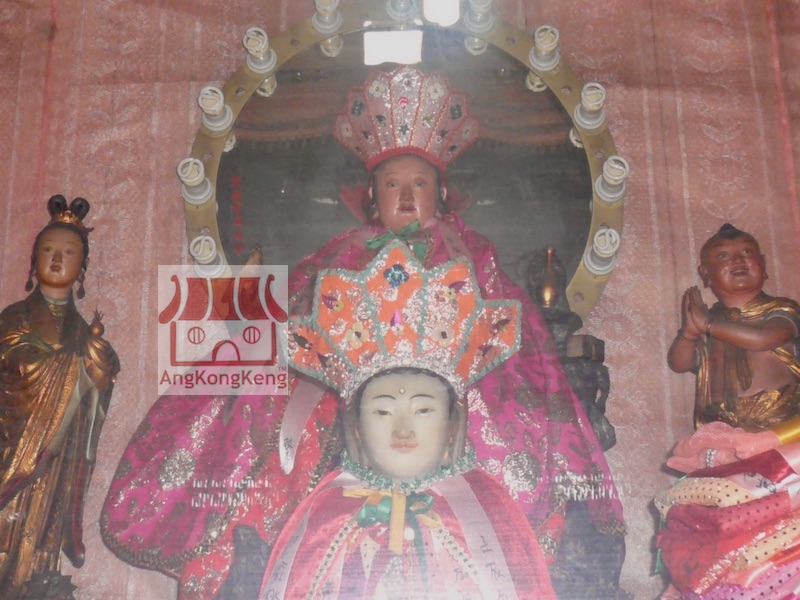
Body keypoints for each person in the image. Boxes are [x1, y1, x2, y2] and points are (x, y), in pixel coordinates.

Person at [101, 66, 624, 599]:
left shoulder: (474, 253)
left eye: (419, 184)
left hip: (454, 393)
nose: (405, 196)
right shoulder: (340, 253)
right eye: (392, 184)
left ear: (441, 193)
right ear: (371, 195)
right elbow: (296, 310)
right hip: (341, 394)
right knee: (281, 424)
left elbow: (515, 332)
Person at [261, 240, 557, 599]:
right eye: (383, 411)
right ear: (354, 425)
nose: (403, 430)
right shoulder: (324, 520)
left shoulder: (487, 516)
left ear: (452, 423)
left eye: (424, 410)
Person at [0, 195, 119, 597]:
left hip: (56, 462)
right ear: (33, 261)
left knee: (40, 548)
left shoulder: (84, 332)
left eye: (68, 252)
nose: (56, 259)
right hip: (15, 450)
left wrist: (100, 365)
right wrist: (73, 368)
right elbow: (14, 364)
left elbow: (98, 390)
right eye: (47, 250)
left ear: (82, 268)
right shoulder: (13, 318)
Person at [667, 223, 800, 430]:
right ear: (705, 274)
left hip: (780, 420)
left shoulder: (781, 309)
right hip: (721, 424)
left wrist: (707, 324)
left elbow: (765, 338)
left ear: (763, 264)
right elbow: (679, 364)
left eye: (747, 251)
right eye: (723, 256)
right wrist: (689, 332)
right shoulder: (711, 322)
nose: (738, 260)